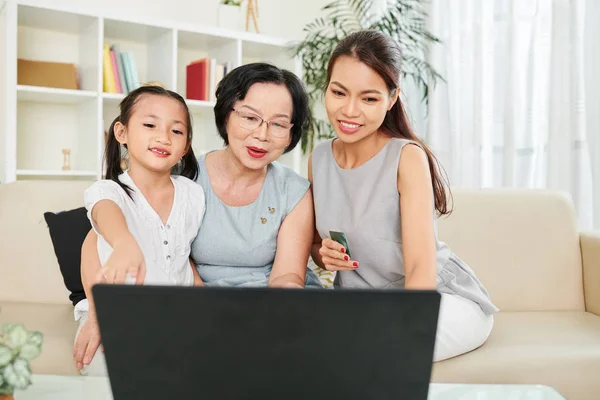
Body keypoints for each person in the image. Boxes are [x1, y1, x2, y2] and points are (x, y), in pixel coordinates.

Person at [73, 63, 322, 375]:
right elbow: (98, 239)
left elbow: (287, 277)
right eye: (249, 117)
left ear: (292, 133)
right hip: (199, 307)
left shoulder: (294, 190)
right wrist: (99, 312)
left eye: (279, 124)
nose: (262, 135)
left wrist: (278, 320)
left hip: (264, 305)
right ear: (227, 114)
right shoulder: (181, 176)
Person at [309, 30, 498, 362]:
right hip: (365, 306)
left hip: (439, 299)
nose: (349, 110)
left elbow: (421, 267)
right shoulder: (319, 159)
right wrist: (326, 255)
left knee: (375, 350)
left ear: (392, 99)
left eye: (369, 98)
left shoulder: (406, 156)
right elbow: (316, 248)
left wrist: (402, 324)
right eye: (339, 93)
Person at [73, 85, 206, 375]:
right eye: (149, 125)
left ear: (186, 146)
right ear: (121, 133)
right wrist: (123, 244)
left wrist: (211, 304)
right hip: (119, 318)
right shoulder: (109, 191)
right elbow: (103, 216)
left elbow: (181, 255)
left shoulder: (193, 194)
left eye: (177, 131)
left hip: (179, 318)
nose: (163, 137)